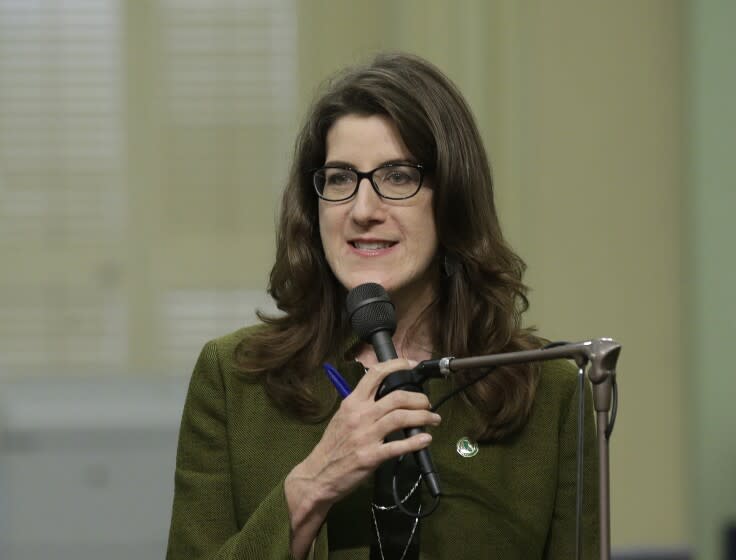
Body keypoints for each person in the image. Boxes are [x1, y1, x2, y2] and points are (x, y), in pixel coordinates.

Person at [166, 52, 598, 560]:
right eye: (340, 179)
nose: (363, 210)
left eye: (397, 176)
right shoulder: (234, 378)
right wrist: (311, 487)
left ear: (451, 199)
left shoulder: (548, 390)